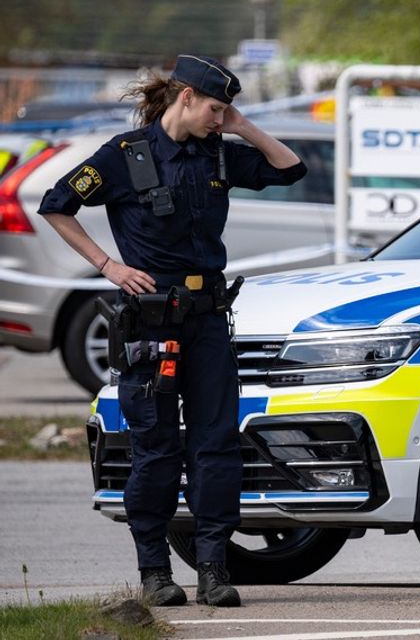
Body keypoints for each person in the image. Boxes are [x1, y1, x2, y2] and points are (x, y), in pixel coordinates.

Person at [38, 54, 307, 607]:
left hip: (207, 320)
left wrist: (244, 127)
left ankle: (212, 568)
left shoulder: (221, 154)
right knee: (156, 450)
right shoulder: (124, 155)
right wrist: (108, 266)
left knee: (215, 446)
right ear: (185, 97)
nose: (219, 117)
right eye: (215, 107)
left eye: (226, 110)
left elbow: (289, 169)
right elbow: (56, 205)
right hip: (150, 324)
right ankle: (155, 572)